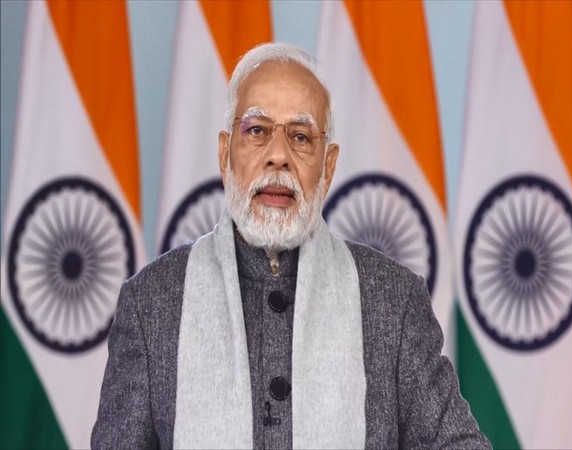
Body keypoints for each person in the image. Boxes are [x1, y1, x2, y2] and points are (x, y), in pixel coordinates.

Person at [92, 42, 490, 449]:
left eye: (300, 136)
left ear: (328, 167)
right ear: (225, 154)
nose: (278, 155)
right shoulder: (151, 302)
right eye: (257, 131)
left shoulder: (392, 300)